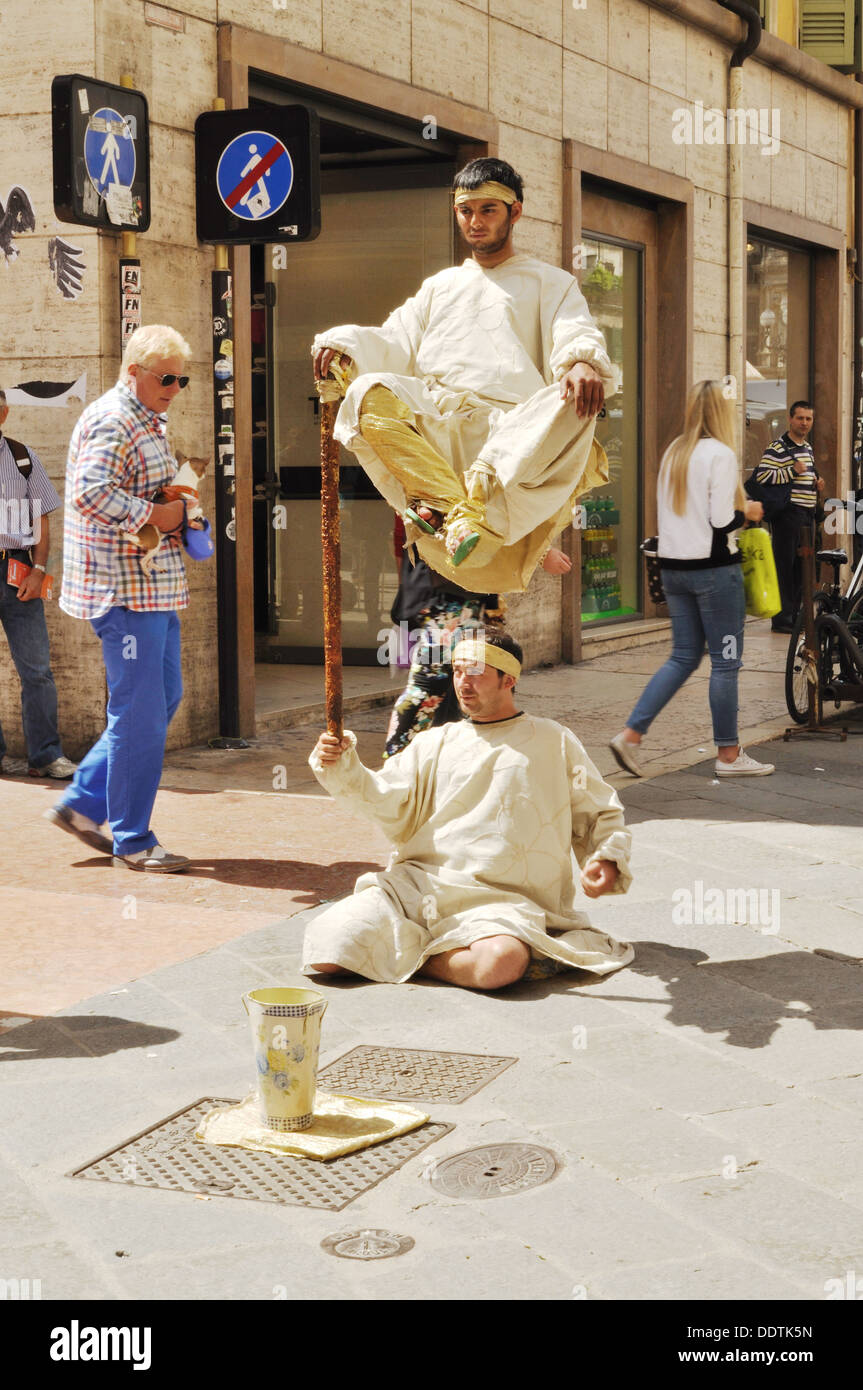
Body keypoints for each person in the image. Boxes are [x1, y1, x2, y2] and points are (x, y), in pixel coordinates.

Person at [312, 157, 612, 595]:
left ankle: (465, 513)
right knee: (364, 392)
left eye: (488, 209)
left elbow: (575, 332)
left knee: (573, 400)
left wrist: (583, 362)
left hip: (515, 436)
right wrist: (344, 346)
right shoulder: (440, 286)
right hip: (440, 423)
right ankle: (454, 511)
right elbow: (393, 342)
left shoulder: (553, 282)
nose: (474, 221)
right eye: (465, 210)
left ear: (516, 211)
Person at [303, 631, 633, 990]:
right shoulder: (434, 742)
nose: (463, 683)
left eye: (475, 673)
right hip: (417, 886)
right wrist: (342, 765)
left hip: (502, 902)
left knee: (498, 965)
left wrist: (605, 859)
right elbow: (383, 797)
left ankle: (416, 956)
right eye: (458, 671)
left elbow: (600, 811)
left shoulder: (554, 740)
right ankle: (431, 950)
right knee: (328, 947)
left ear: (508, 680)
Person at [45, 325, 199, 872]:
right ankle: (132, 839)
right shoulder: (116, 417)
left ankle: (82, 805)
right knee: (141, 715)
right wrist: (158, 515)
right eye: (166, 377)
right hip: (125, 591)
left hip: (148, 588)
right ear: (133, 371)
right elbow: (89, 492)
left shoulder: (143, 412)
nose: (175, 387)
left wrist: (178, 508)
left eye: (182, 378)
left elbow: (125, 489)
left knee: (159, 702)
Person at [609, 380, 774, 779]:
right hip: (715, 573)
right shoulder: (719, 454)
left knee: (683, 657)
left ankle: (631, 734)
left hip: (673, 570)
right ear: (721, 413)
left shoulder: (675, 452)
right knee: (726, 662)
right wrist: (749, 511)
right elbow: (721, 520)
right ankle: (729, 756)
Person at [0, 390, 76, 778]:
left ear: (4, 412)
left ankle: (46, 756)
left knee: (37, 669)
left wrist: (39, 567)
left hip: (17, 572)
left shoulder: (22, 458)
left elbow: (42, 519)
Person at [747, 400, 823, 633]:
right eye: (800, 418)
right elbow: (761, 478)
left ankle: (796, 616)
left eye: (808, 419)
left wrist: (816, 484)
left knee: (802, 569)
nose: (804, 423)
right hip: (788, 516)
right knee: (785, 568)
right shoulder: (777, 447)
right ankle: (781, 620)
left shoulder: (807, 448)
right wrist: (791, 471)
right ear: (790, 419)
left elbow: (802, 477)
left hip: (806, 516)